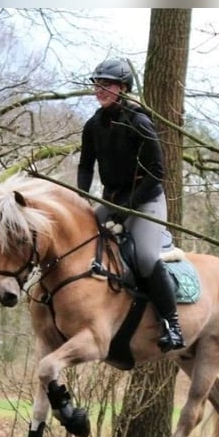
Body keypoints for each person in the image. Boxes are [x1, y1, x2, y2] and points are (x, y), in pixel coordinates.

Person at [77, 57, 185, 352]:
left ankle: (171, 323)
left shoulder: (140, 122)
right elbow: (86, 167)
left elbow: (156, 174)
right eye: (97, 84)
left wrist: (127, 210)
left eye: (106, 84)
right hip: (111, 200)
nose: (99, 89)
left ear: (122, 88)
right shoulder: (93, 125)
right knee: (78, 240)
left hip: (146, 201)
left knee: (147, 258)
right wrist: (80, 199)